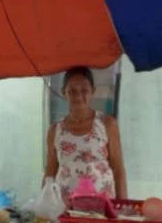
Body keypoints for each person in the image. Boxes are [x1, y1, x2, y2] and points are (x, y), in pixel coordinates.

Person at [45, 66, 127, 201]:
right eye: (72, 91)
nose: (78, 96)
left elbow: (118, 169)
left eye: (84, 90)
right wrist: (45, 204)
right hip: (66, 206)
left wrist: (122, 205)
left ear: (93, 92)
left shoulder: (107, 124)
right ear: (63, 92)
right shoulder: (55, 130)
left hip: (102, 205)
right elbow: (50, 172)